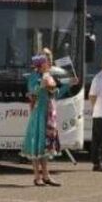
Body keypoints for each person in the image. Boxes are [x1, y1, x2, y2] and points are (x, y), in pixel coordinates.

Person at [21, 50, 77, 186]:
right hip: (39, 113)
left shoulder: (49, 75)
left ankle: (46, 175)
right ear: (41, 62)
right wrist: (41, 85)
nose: (50, 61)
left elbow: (54, 94)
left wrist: (68, 84)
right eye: (47, 59)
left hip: (49, 113)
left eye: (50, 59)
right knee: (37, 144)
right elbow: (32, 92)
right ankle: (36, 176)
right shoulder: (34, 76)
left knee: (45, 146)